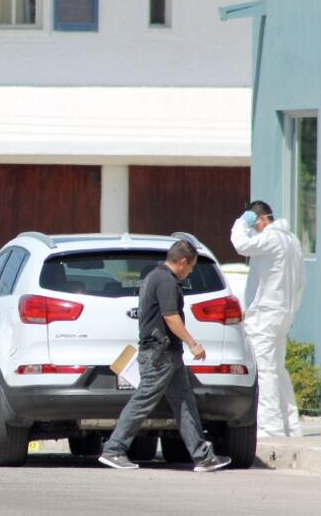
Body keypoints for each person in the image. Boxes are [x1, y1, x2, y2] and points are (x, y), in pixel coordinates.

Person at [99, 239, 231, 472]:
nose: (190, 272)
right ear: (182, 262)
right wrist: (193, 344)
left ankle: (203, 456)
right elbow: (171, 317)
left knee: (184, 403)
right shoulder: (166, 281)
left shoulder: (154, 276)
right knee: (143, 399)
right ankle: (114, 449)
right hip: (160, 355)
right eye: (191, 267)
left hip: (167, 354)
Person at [230, 201, 306, 438]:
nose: (253, 228)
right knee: (277, 369)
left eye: (254, 223)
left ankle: (270, 427)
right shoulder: (291, 240)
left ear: (260, 219)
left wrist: (241, 222)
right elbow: (301, 280)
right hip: (283, 312)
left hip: (266, 313)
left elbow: (241, 244)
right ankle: (291, 425)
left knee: (265, 370)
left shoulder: (271, 238)